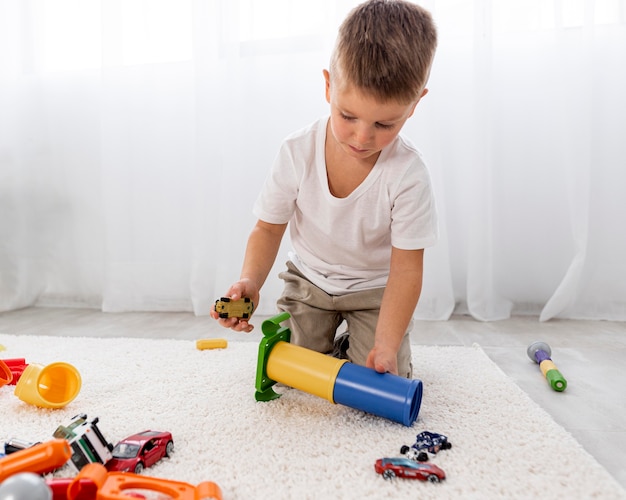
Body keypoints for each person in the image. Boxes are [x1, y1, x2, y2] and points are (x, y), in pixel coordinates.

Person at [210, 0, 438, 378]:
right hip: (310, 282)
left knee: (385, 376)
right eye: (348, 116)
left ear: (414, 105)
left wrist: (385, 343)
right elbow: (268, 228)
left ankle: (359, 342)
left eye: (385, 124)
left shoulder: (409, 174)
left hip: (375, 292)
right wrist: (250, 281)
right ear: (329, 85)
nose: (362, 137)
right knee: (293, 369)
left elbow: (406, 270)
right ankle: (323, 339)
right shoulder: (297, 151)